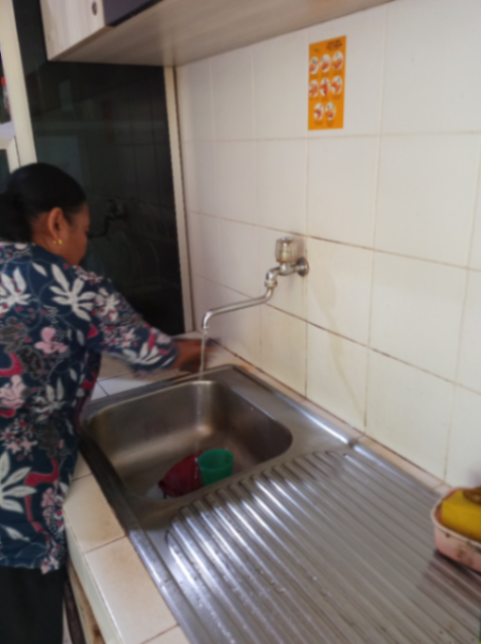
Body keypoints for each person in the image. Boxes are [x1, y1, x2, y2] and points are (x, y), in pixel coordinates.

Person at [0, 163, 201, 643]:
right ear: (56, 222)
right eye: (85, 231)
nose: (85, 244)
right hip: (16, 506)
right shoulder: (75, 288)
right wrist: (200, 349)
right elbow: (153, 353)